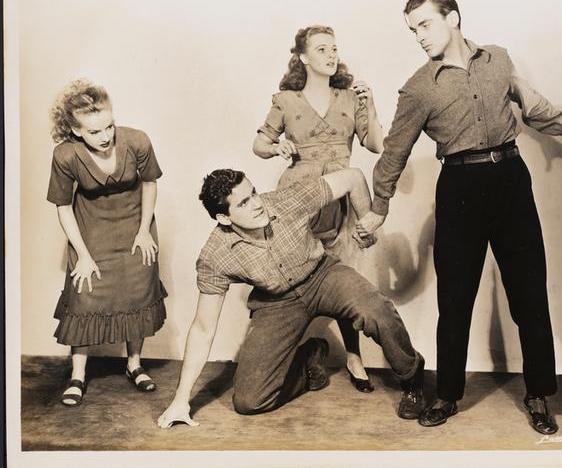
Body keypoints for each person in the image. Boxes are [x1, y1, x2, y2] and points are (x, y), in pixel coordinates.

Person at [356, 0, 562, 433]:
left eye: (425, 25)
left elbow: (534, 106)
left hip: (511, 180)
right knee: (455, 299)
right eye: (413, 30)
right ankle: (447, 394)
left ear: (453, 18)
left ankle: (538, 394)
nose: (419, 37)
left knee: (529, 294)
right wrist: (379, 208)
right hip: (459, 189)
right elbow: (395, 151)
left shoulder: (498, 59)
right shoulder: (418, 88)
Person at [157, 167, 425, 427]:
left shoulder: (288, 200)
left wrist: (366, 222)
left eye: (254, 193)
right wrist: (181, 400)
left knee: (376, 309)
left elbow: (353, 177)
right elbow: (203, 329)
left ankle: (412, 378)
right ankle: (309, 359)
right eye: (244, 203)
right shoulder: (215, 256)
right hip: (277, 302)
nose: (257, 204)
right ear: (224, 218)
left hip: (322, 275)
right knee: (249, 401)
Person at [252, 25, 384, 392]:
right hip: (298, 199)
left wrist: (371, 105)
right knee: (289, 276)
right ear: (303, 57)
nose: (331, 54)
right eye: (322, 49)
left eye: (334, 48)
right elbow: (259, 144)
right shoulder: (286, 100)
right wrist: (275, 148)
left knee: (345, 278)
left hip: (342, 198)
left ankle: (354, 357)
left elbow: (376, 144)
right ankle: (287, 354)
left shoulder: (350, 98)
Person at [47, 79, 167, 406]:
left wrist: (144, 231)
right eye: (94, 131)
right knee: (85, 299)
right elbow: (63, 207)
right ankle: (77, 375)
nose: (105, 136)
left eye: (109, 126)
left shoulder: (137, 140)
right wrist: (83, 255)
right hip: (90, 233)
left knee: (137, 294)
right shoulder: (65, 155)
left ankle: (134, 365)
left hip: (135, 228)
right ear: (76, 131)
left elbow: (150, 183)